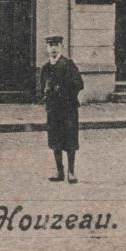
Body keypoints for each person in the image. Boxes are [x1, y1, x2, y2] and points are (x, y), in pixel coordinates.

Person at [38, 35, 84, 183]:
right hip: (53, 110)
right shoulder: (45, 68)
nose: (53, 49)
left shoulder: (68, 64)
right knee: (55, 140)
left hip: (68, 109)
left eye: (56, 45)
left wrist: (63, 89)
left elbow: (79, 84)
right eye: (50, 46)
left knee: (70, 140)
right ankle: (60, 172)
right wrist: (47, 96)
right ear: (46, 48)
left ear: (61, 47)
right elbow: (41, 88)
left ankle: (71, 172)